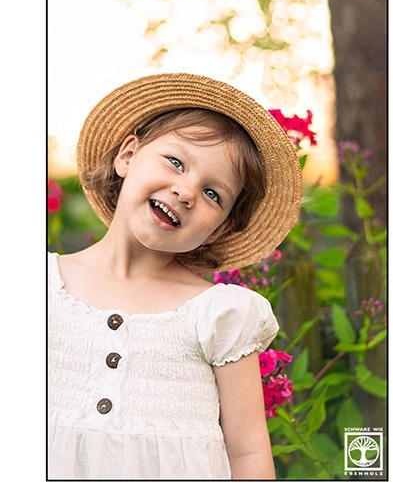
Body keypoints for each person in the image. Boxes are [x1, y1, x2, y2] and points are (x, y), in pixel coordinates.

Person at [48, 73, 303, 479]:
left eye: (212, 194)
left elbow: (250, 455)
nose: (186, 191)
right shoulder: (43, 286)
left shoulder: (219, 314)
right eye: (176, 162)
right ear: (128, 155)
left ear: (219, 228)